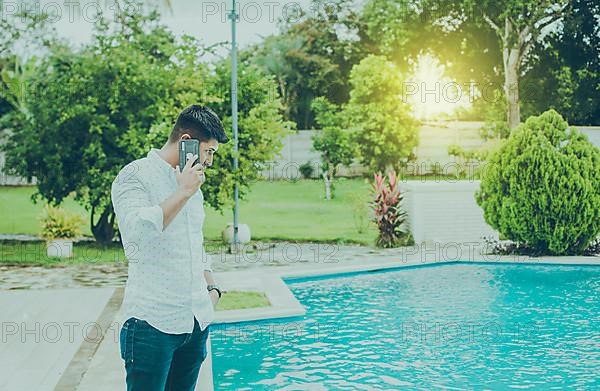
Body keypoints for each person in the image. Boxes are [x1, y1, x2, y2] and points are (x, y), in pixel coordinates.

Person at [111, 105, 229, 390]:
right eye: (209, 151)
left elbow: (193, 241)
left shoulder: (193, 181)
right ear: (187, 140)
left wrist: (212, 290)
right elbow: (136, 234)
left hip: (195, 322)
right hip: (151, 325)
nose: (210, 161)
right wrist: (183, 192)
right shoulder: (134, 175)